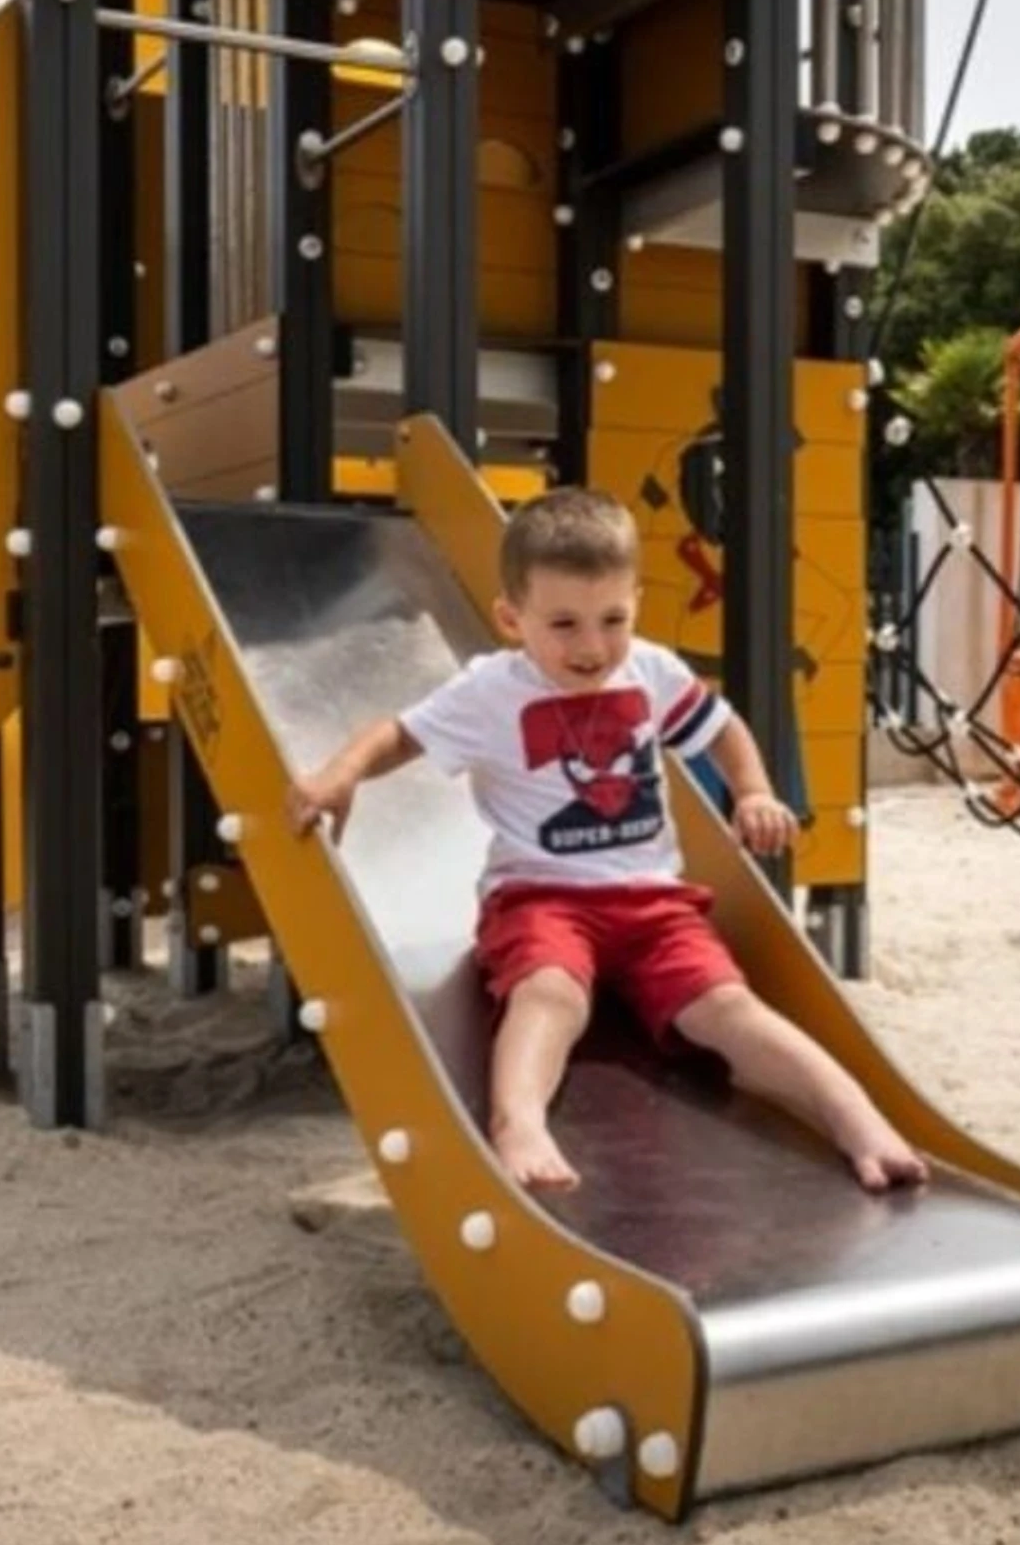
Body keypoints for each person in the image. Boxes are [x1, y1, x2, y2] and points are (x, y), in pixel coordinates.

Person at [286, 487, 928, 1197]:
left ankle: (856, 1118)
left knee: (728, 1007)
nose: (592, 647)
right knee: (550, 994)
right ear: (511, 618)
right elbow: (398, 734)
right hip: (540, 899)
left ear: (636, 605)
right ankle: (518, 1124)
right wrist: (340, 774)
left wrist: (752, 791)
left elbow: (719, 727)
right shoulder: (492, 691)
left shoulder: (650, 670)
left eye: (613, 619)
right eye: (563, 624)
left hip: (655, 904)